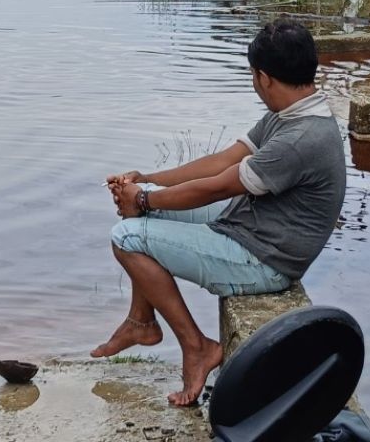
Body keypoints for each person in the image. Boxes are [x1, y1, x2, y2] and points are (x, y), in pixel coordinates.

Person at [93, 21, 346, 406]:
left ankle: (197, 347)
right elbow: (223, 161)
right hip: (249, 225)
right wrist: (147, 180)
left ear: (263, 77)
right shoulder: (293, 112)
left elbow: (219, 185)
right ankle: (141, 322)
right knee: (139, 220)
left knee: (125, 237)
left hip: (264, 259)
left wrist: (143, 199)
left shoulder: (300, 140)